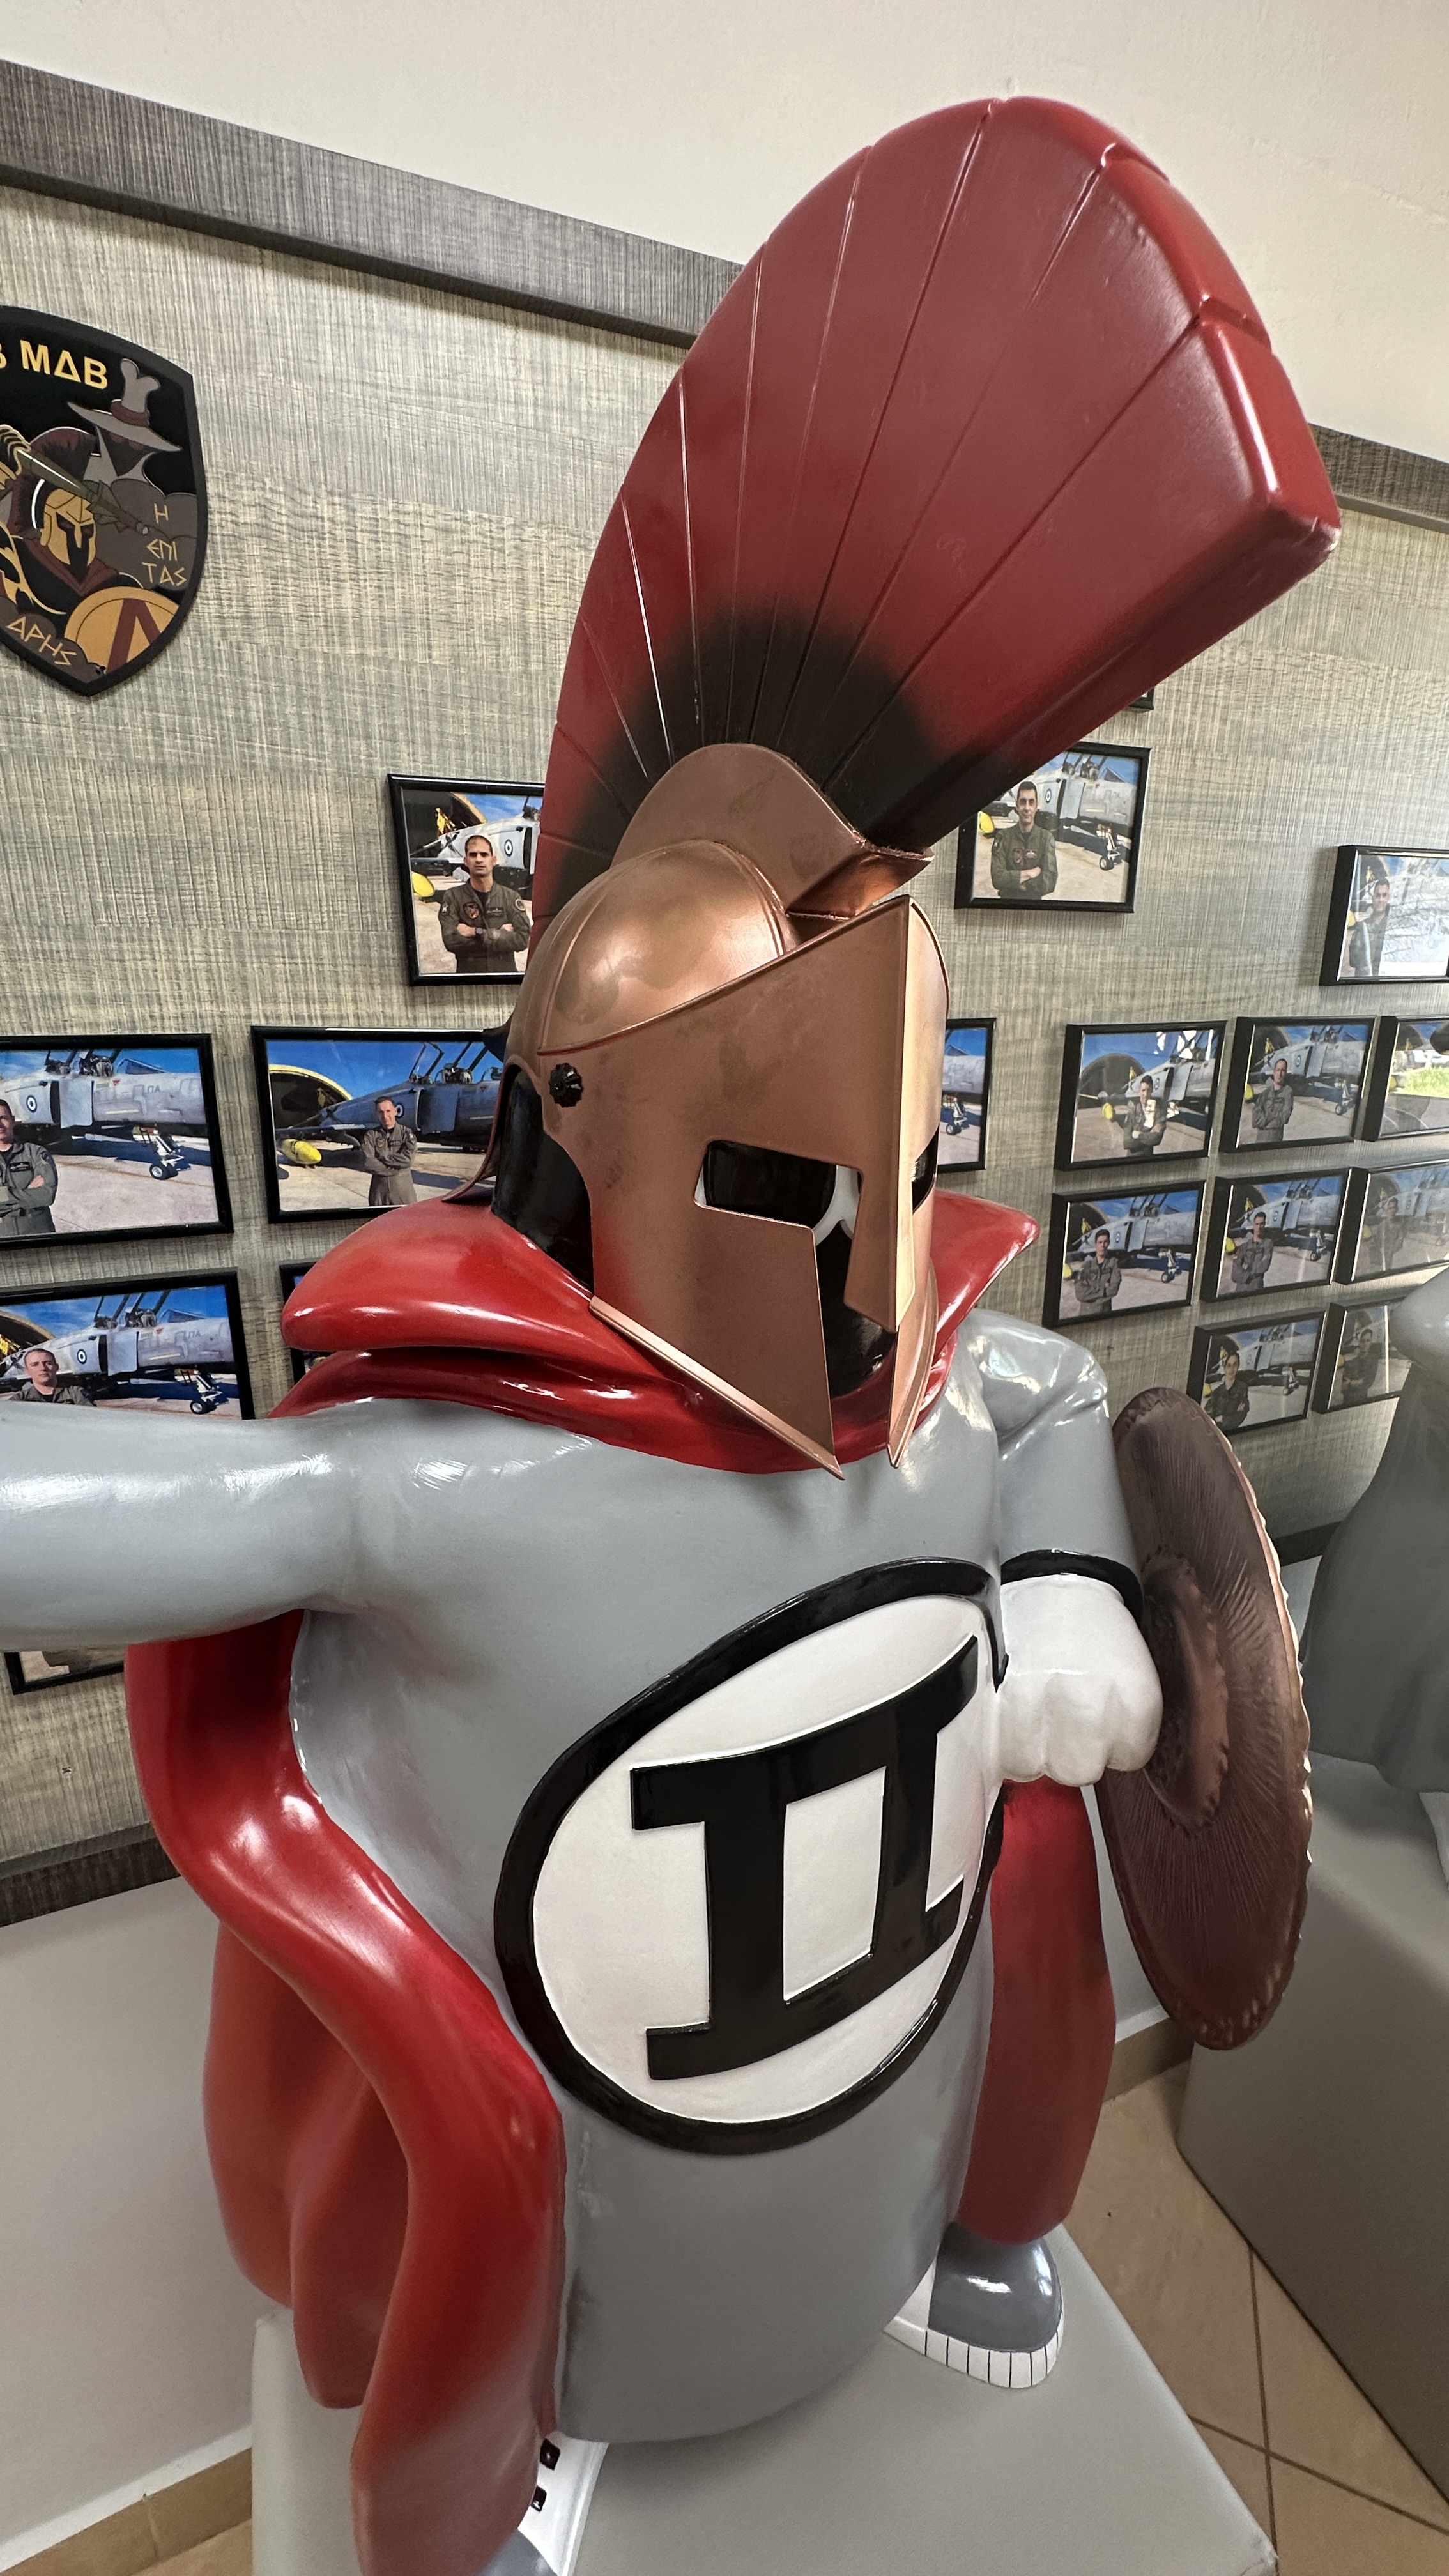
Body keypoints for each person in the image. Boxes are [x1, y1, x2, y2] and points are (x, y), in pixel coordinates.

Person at [436, 834, 533, 973]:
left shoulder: (510, 897)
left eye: (484, 854)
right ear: (466, 861)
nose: (479, 859)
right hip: (470, 979)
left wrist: (477, 932)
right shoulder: (453, 897)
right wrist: (500, 934)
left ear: (493, 860)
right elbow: (451, 941)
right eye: (473, 855)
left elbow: (523, 939)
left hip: (504, 978)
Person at [988, 781, 1057, 900]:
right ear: (1017, 806)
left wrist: (1019, 884)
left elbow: (1050, 881)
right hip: (1007, 905)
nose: (1027, 808)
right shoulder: (1003, 837)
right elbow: (997, 879)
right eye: (1023, 802)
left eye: (1031, 802)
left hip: (1034, 906)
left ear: (1036, 807)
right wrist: (1030, 874)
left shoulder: (1046, 838)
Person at [0, 1098, 59, 1238]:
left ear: (13, 1120)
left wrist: (4, 1197)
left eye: (3, 1118)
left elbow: (47, 1195)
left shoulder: (36, 1153)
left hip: (38, 1235)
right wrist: (28, 1193)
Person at [356, 1097, 418, 1208]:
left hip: (404, 1193)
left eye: (388, 1111)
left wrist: (383, 1157)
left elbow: (408, 1160)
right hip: (379, 1194)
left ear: (395, 1111)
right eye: (381, 1112)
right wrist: (394, 1171)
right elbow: (368, 1162)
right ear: (377, 1114)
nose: (385, 1116)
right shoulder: (371, 1135)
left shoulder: (406, 1133)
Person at [1347, 864, 1392, 977]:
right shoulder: (1362, 923)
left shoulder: (1393, 924)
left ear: (1388, 898)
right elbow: (1353, 959)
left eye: (1384, 895)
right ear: (1372, 897)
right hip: (1362, 979)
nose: (1381, 899)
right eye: (1378, 895)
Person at [9, 1346, 94, 1405]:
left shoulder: (76, 1394)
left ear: (57, 1367)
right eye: (35, 1365)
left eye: (48, 1363)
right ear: (27, 1371)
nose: (43, 1368)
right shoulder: (19, 1401)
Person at [1071, 1227, 1122, 1320]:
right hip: (1086, 1315)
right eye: (1100, 1242)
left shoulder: (1113, 1264)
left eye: (1106, 1242)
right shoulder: (1087, 1266)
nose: (1103, 1245)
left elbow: (1114, 1290)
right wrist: (1104, 1290)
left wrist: (1090, 1293)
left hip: (1105, 1315)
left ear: (1109, 1243)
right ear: (1096, 1245)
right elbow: (1080, 1294)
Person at [1204, 1340, 1250, 1434]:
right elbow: (1206, 1419)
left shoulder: (1242, 1388)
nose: (1232, 1369)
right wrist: (1230, 1415)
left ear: (1238, 1367)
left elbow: (1240, 1416)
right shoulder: (1217, 1392)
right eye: (1229, 1365)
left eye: (1235, 1365)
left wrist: (1222, 1418)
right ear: (1224, 1368)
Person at [1117, 1073, 1167, 1158]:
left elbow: (1156, 1139)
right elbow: (1127, 1142)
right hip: (1131, 1158)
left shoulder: (1158, 1113)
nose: (1146, 1094)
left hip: (1148, 1159)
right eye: (1143, 1090)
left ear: (1152, 1091)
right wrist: (1148, 1135)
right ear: (1139, 1091)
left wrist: (1138, 1134)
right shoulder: (1132, 1111)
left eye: (1149, 1090)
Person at [1250, 1055, 1294, 1146]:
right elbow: (1255, 1119)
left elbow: (1284, 1117)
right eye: (1278, 1070)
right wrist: (1269, 1119)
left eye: (1283, 1070)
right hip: (1260, 1139)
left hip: (1274, 1139)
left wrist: (1264, 1122)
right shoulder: (1265, 1093)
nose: (1280, 1074)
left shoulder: (1288, 1092)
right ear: (1274, 1072)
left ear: (1286, 1073)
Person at [1338, 1320, 1381, 1407]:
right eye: (1363, 1341)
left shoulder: (1373, 1360)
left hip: (1361, 1401)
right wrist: (1353, 1383)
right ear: (1359, 1342)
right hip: (1347, 1401)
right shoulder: (1351, 1361)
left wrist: (1350, 1383)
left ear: (1371, 1342)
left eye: (1368, 1341)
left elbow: (1367, 1382)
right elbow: (1344, 1386)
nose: (1365, 1344)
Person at [1230, 1208, 1273, 1294]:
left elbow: (1264, 1266)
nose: (1259, 1227)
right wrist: (1250, 1274)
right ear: (1253, 1225)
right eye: (1257, 1224)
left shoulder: (1268, 1244)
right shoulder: (1244, 1246)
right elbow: (1234, 1274)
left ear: (1265, 1225)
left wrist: (1246, 1267)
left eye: (1262, 1224)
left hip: (1256, 1289)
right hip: (1240, 1290)